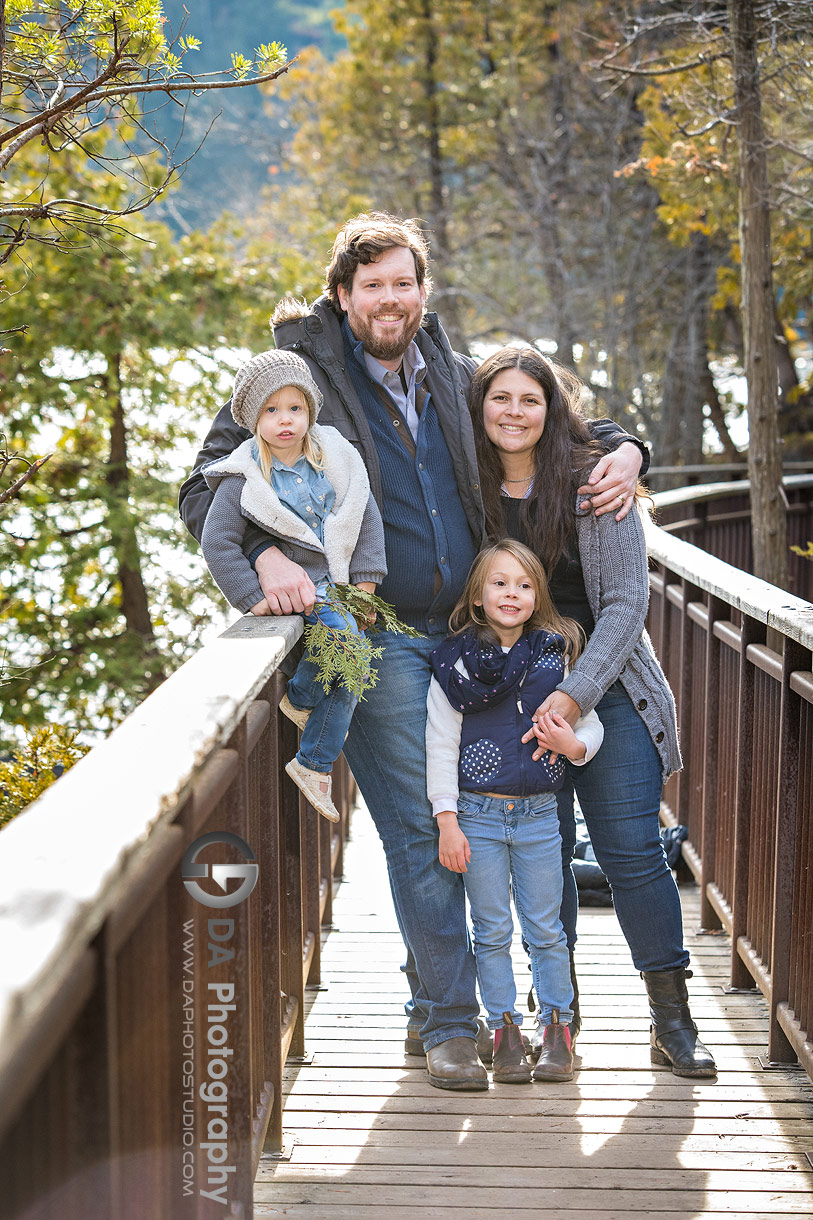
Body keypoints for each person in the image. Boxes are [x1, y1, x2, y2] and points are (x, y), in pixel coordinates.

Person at [179, 212, 647, 1091]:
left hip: (475, 639)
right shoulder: (299, 377)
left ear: (422, 291)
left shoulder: (453, 371)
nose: (389, 300)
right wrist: (268, 554)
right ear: (344, 295)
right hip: (380, 633)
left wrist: (629, 450)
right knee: (424, 832)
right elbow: (204, 483)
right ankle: (446, 1023)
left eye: (404, 283)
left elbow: (557, 418)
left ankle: (426, 1002)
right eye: (371, 286)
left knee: (470, 823)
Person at [467, 345, 717, 1078]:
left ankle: (672, 1022)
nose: (514, 412)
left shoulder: (591, 482)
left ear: (552, 409)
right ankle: (559, 1024)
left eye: (530, 399)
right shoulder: (465, 489)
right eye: (499, 399)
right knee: (545, 863)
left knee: (633, 854)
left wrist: (571, 694)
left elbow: (622, 607)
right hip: (512, 700)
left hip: (606, 685)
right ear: (478, 409)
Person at [426, 540, 603, 1084]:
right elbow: (440, 744)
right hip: (476, 814)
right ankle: (504, 1028)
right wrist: (447, 820)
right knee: (492, 928)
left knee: (546, 928)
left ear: (538, 595)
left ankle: (557, 1029)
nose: (512, 594)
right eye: (500, 583)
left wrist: (575, 747)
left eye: (524, 585)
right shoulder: (454, 662)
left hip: (539, 817)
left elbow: (587, 722)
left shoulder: (558, 652)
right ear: (478, 595)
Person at [199, 349, 387, 824]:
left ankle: (301, 699)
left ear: (310, 410)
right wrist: (253, 597)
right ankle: (313, 761)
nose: (286, 420)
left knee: (349, 669)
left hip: (341, 586)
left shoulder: (336, 457)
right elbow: (217, 542)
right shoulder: (242, 477)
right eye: (271, 410)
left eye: (295, 408)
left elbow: (364, 518)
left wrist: (364, 588)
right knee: (350, 656)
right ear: (251, 418)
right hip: (300, 593)